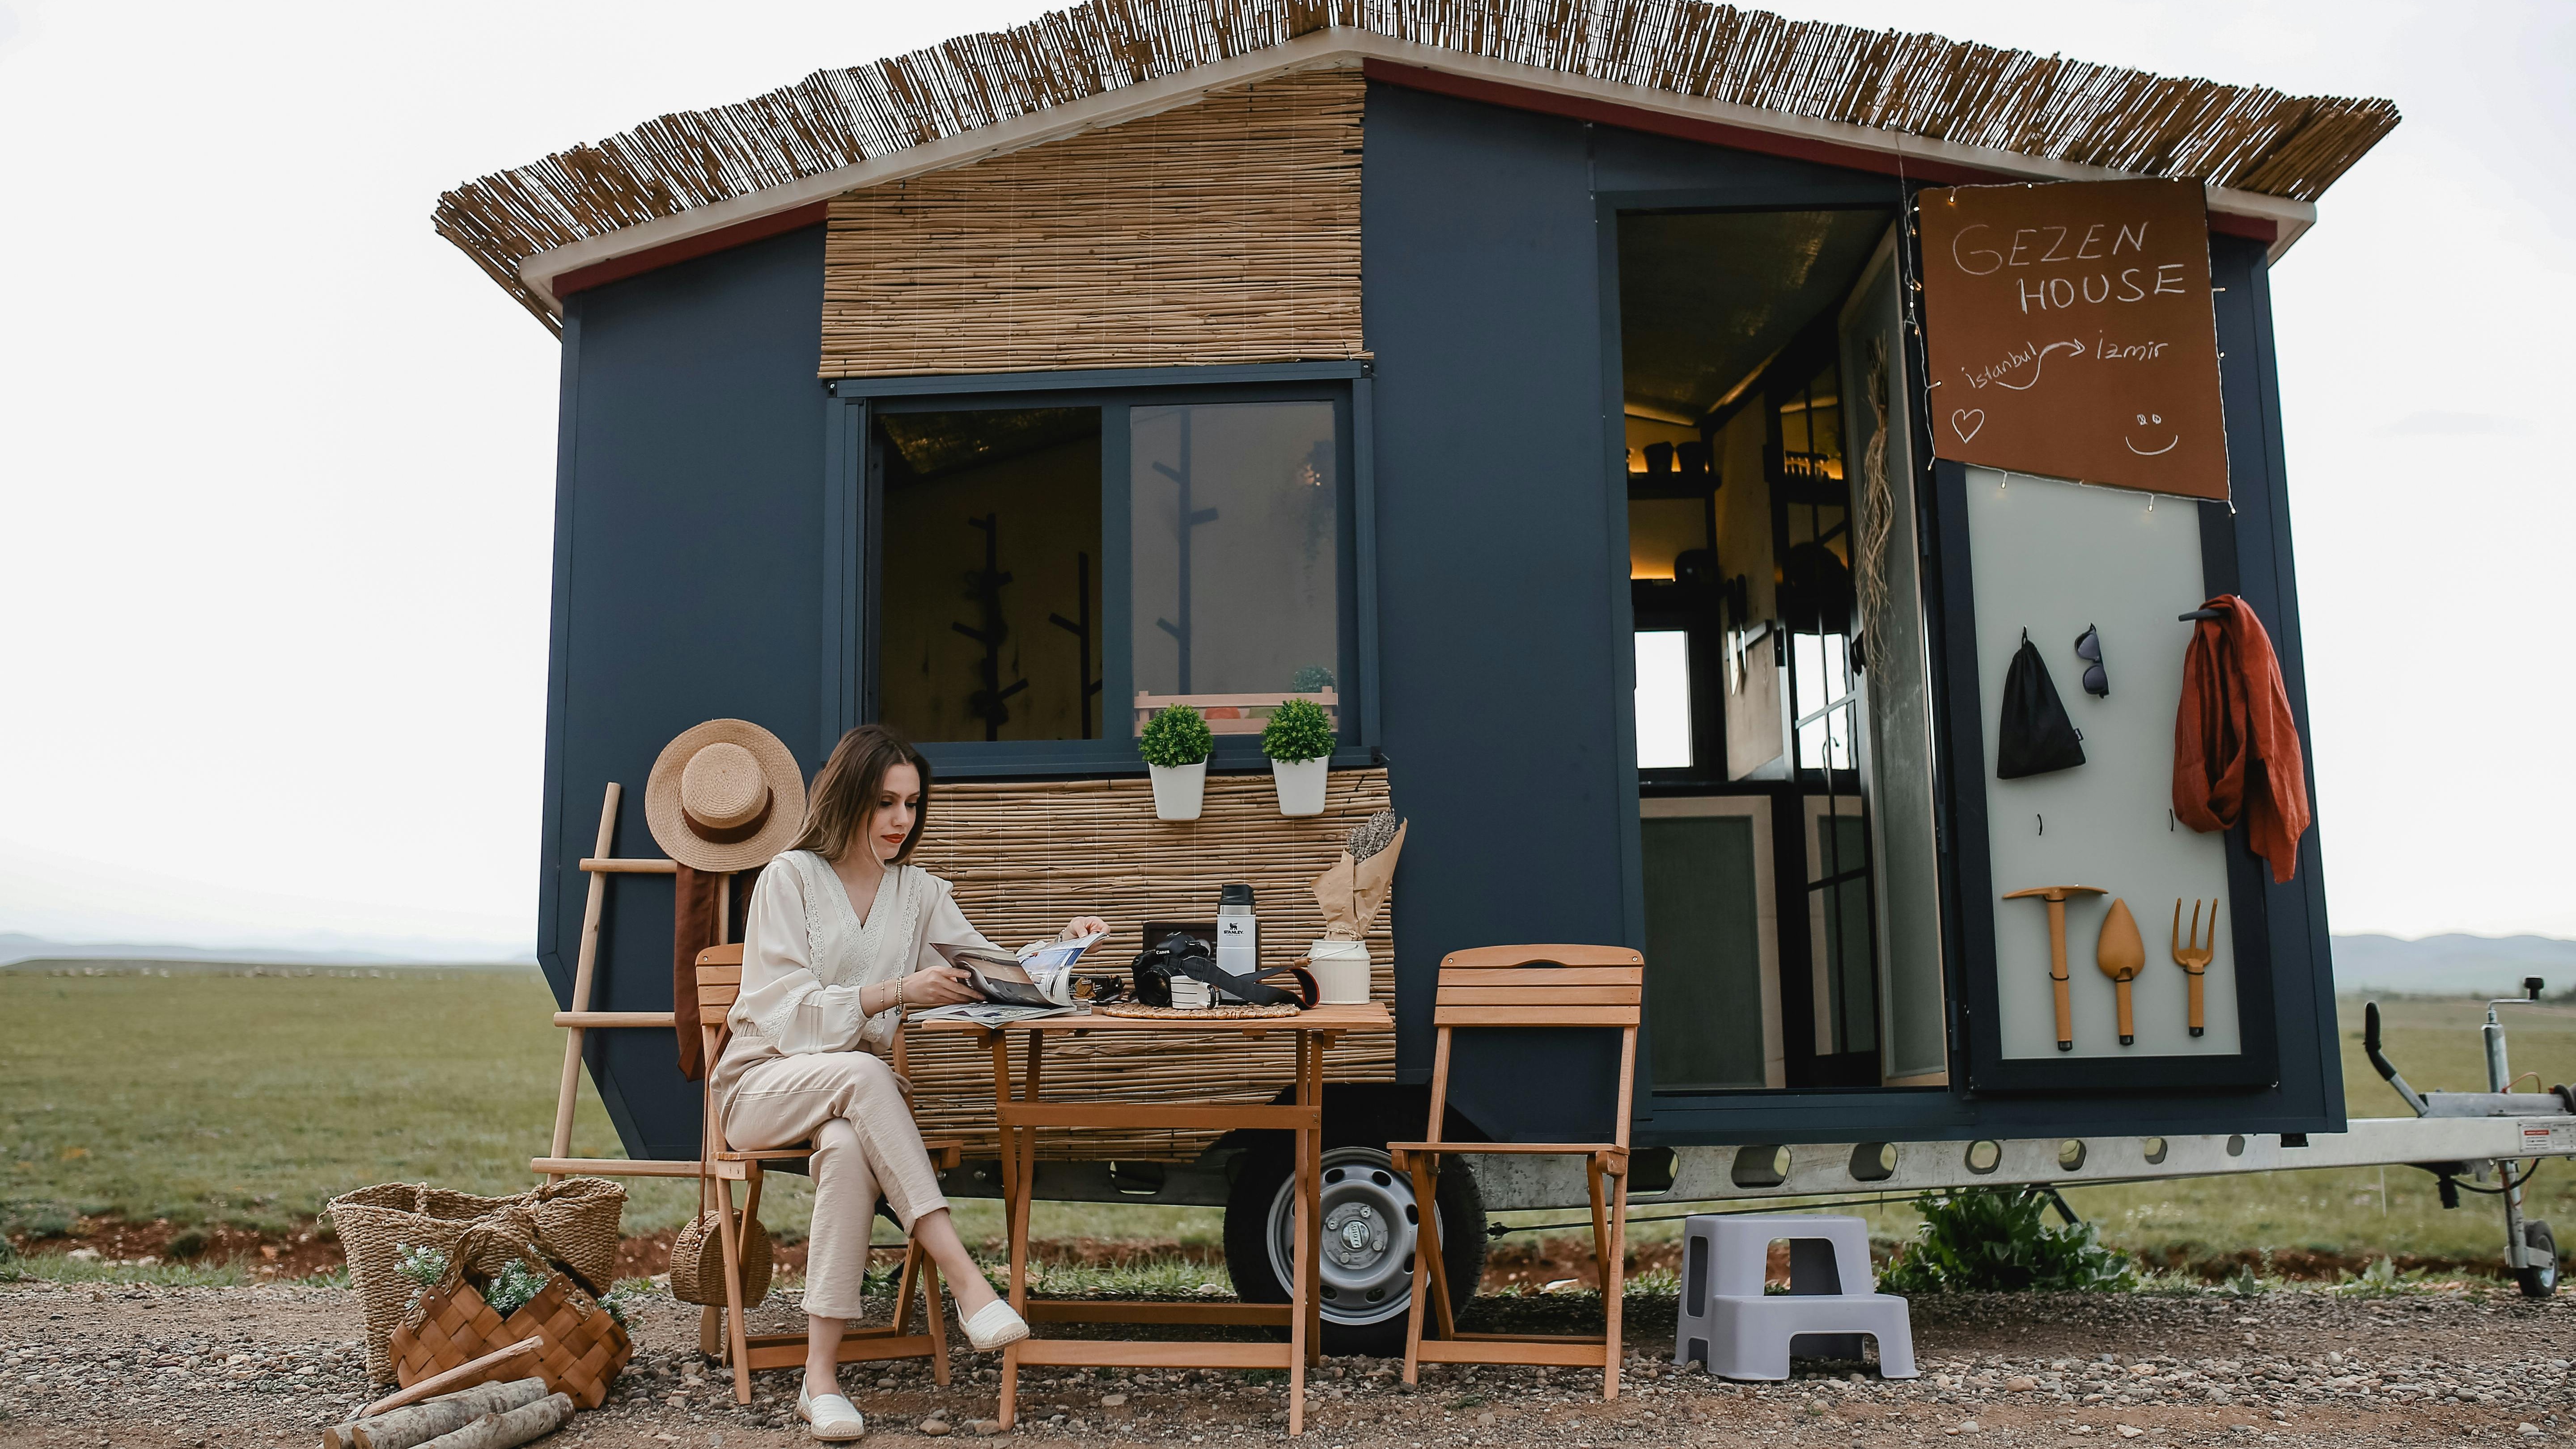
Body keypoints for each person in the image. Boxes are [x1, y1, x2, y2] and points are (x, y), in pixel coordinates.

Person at [713, 724, 1107, 1441]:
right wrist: (895, 991)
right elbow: (781, 1014)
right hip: (761, 1087)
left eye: (912, 805)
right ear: (850, 799)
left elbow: (994, 969)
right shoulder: (789, 878)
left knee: (843, 1144)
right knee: (868, 1074)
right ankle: (967, 1280)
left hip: (849, 1104)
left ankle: (820, 1382)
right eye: (886, 802)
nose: (901, 820)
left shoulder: (917, 893)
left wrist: (1065, 946)